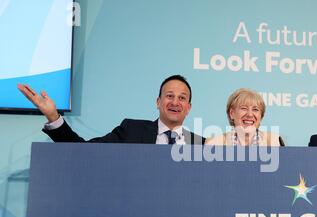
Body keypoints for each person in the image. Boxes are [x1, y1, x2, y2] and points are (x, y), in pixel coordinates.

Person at [17, 75, 205, 145]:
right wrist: (53, 116)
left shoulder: (202, 145)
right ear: (158, 102)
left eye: (182, 98)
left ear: (188, 108)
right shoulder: (131, 130)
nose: (175, 102)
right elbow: (82, 152)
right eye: (169, 96)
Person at [205, 88, 284, 146]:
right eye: (244, 108)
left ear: (261, 116)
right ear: (232, 113)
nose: (250, 114)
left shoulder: (275, 142)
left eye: (255, 109)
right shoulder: (214, 143)